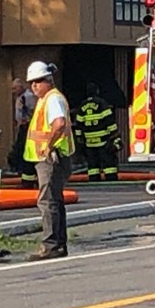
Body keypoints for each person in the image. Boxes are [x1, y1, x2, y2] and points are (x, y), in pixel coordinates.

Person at [22, 61, 75, 260]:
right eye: (31, 82)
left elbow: (59, 124)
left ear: (48, 80)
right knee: (55, 201)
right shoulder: (47, 99)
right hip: (51, 158)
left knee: (48, 202)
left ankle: (51, 245)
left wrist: (49, 146)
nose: (34, 86)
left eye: (38, 81)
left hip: (50, 159)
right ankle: (58, 244)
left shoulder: (52, 99)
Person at [73, 82, 121, 182]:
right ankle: (111, 179)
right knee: (108, 164)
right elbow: (109, 121)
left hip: (89, 142)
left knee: (92, 164)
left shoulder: (82, 106)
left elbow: (78, 124)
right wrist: (114, 134)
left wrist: (80, 138)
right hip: (103, 140)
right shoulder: (102, 104)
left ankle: (94, 180)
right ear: (97, 91)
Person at [8, 77, 38, 189]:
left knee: (25, 153)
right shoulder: (20, 98)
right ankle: (26, 178)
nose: (13, 91)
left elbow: (34, 112)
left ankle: (28, 181)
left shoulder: (28, 97)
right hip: (22, 127)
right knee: (20, 153)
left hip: (28, 128)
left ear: (21, 87)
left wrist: (27, 122)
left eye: (15, 88)